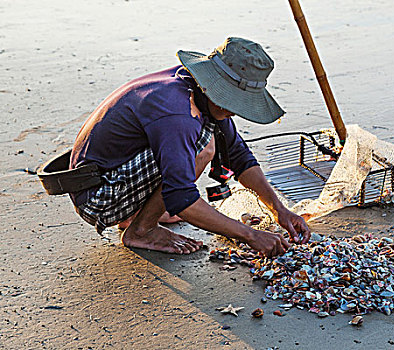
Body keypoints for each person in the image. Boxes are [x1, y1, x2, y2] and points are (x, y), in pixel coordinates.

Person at [69, 37, 311, 257]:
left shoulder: (193, 86)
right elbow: (181, 197)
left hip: (115, 172)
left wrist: (279, 210)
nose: (234, 110)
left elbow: (238, 155)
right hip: (99, 197)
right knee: (203, 147)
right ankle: (142, 230)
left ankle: (138, 214)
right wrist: (250, 235)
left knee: (208, 139)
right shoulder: (179, 113)